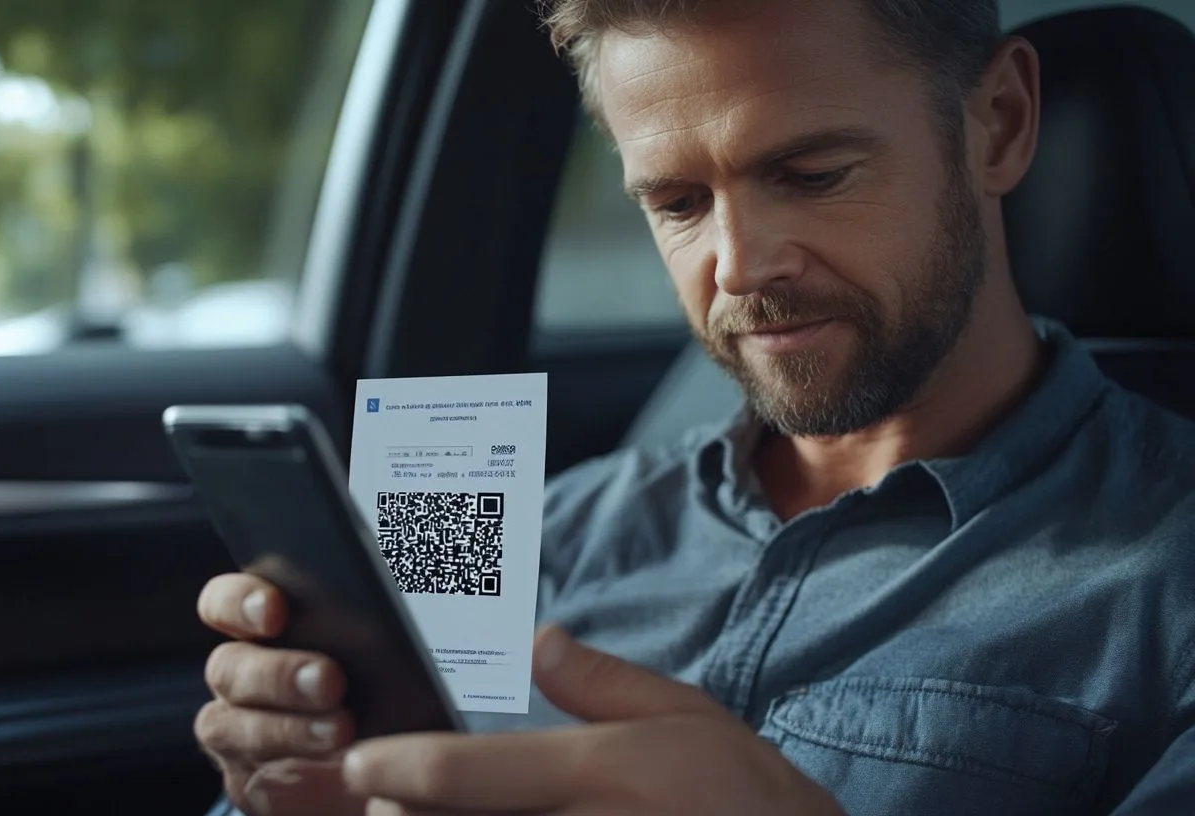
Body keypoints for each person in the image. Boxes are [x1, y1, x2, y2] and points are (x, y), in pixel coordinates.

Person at [194, 0, 1195, 813]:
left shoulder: (1165, 589)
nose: (739, 267)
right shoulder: (544, 534)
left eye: (812, 175)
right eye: (675, 204)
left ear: (1000, 124)